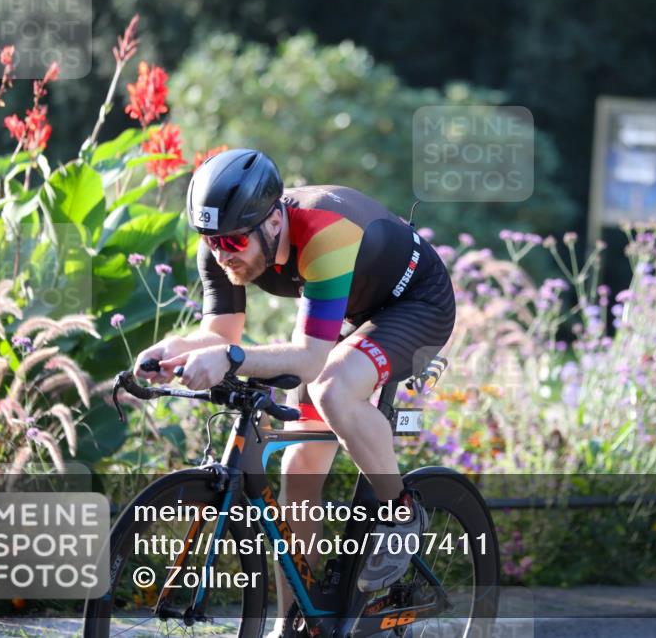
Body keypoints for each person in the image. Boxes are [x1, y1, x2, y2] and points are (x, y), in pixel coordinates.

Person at [134, 148, 456, 636]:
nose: (221, 254)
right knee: (298, 468)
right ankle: (296, 626)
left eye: (233, 241)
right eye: (211, 242)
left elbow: (309, 358)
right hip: (351, 306)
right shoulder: (225, 240)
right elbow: (221, 333)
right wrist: (169, 350)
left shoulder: (325, 231)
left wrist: (231, 359)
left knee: (332, 389)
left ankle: (402, 514)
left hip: (416, 304)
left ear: (273, 222)